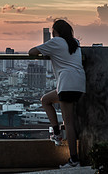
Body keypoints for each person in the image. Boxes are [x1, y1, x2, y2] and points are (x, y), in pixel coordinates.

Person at [28, 19, 86, 169]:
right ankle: (56, 132)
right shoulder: (75, 42)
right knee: (46, 100)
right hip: (78, 83)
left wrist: (48, 52)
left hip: (67, 83)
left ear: (56, 31)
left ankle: (74, 160)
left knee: (69, 124)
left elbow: (32, 52)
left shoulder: (56, 42)